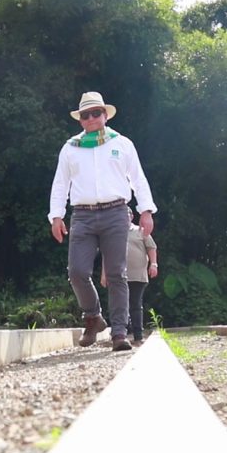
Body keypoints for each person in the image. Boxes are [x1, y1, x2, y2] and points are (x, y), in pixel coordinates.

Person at [48, 91, 157, 351]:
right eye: (86, 114)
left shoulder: (121, 143)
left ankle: (119, 333)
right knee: (77, 272)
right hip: (83, 215)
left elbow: (138, 178)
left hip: (116, 212)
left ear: (105, 115)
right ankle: (93, 317)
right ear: (80, 120)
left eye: (96, 113)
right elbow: (60, 183)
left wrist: (146, 210)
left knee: (117, 273)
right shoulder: (71, 147)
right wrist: (56, 216)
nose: (91, 118)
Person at [101, 207, 158, 346]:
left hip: (138, 275)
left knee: (135, 305)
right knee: (119, 305)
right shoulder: (112, 234)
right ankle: (120, 335)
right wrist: (104, 274)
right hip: (118, 275)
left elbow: (151, 248)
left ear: (131, 216)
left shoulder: (141, 231)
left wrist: (154, 264)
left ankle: (138, 336)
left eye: (126, 214)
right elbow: (106, 254)